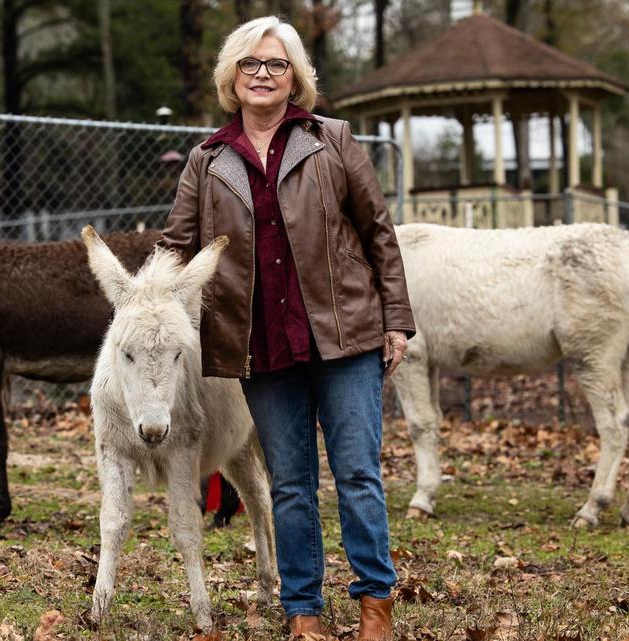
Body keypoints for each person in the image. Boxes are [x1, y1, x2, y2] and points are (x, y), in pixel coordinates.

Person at [158, 15, 415, 640]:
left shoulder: (333, 140)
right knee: (291, 483)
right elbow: (175, 245)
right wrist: (137, 302)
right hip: (260, 345)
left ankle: (374, 603)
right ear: (232, 77)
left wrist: (397, 321)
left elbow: (378, 232)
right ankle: (303, 611)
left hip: (346, 334)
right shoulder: (208, 160)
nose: (263, 75)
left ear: (295, 75)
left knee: (357, 474)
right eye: (250, 64)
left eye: (275, 64)